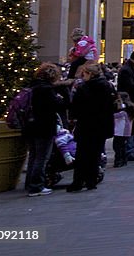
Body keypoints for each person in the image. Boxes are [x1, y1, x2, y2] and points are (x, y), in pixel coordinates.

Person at [68, 63, 116, 192]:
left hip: (86, 124)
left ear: (89, 73)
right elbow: (113, 105)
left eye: (84, 74)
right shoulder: (107, 86)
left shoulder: (83, 87)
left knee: (82, 154)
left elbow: (76, 106)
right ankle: (91, 180)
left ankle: (78, 181)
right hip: (101, 124)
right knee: (95, 153)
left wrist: (73, 117)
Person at [25, 63, 64, 197]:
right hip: (44, 126)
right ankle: (36, 186)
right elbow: (57, 106)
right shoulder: (46, 90)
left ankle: (30, 183)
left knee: (34, 156)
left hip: (30, 126)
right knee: (41, 157)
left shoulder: (32, 86)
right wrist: (60, 99)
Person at [113, 92, 134, 168]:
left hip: (120, 130)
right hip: (124, 131)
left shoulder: (124, 109)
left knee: (117, 146)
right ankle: (123, 159)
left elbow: (116, 115)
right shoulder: (130, 107)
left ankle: (118, 160)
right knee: (122, 145)